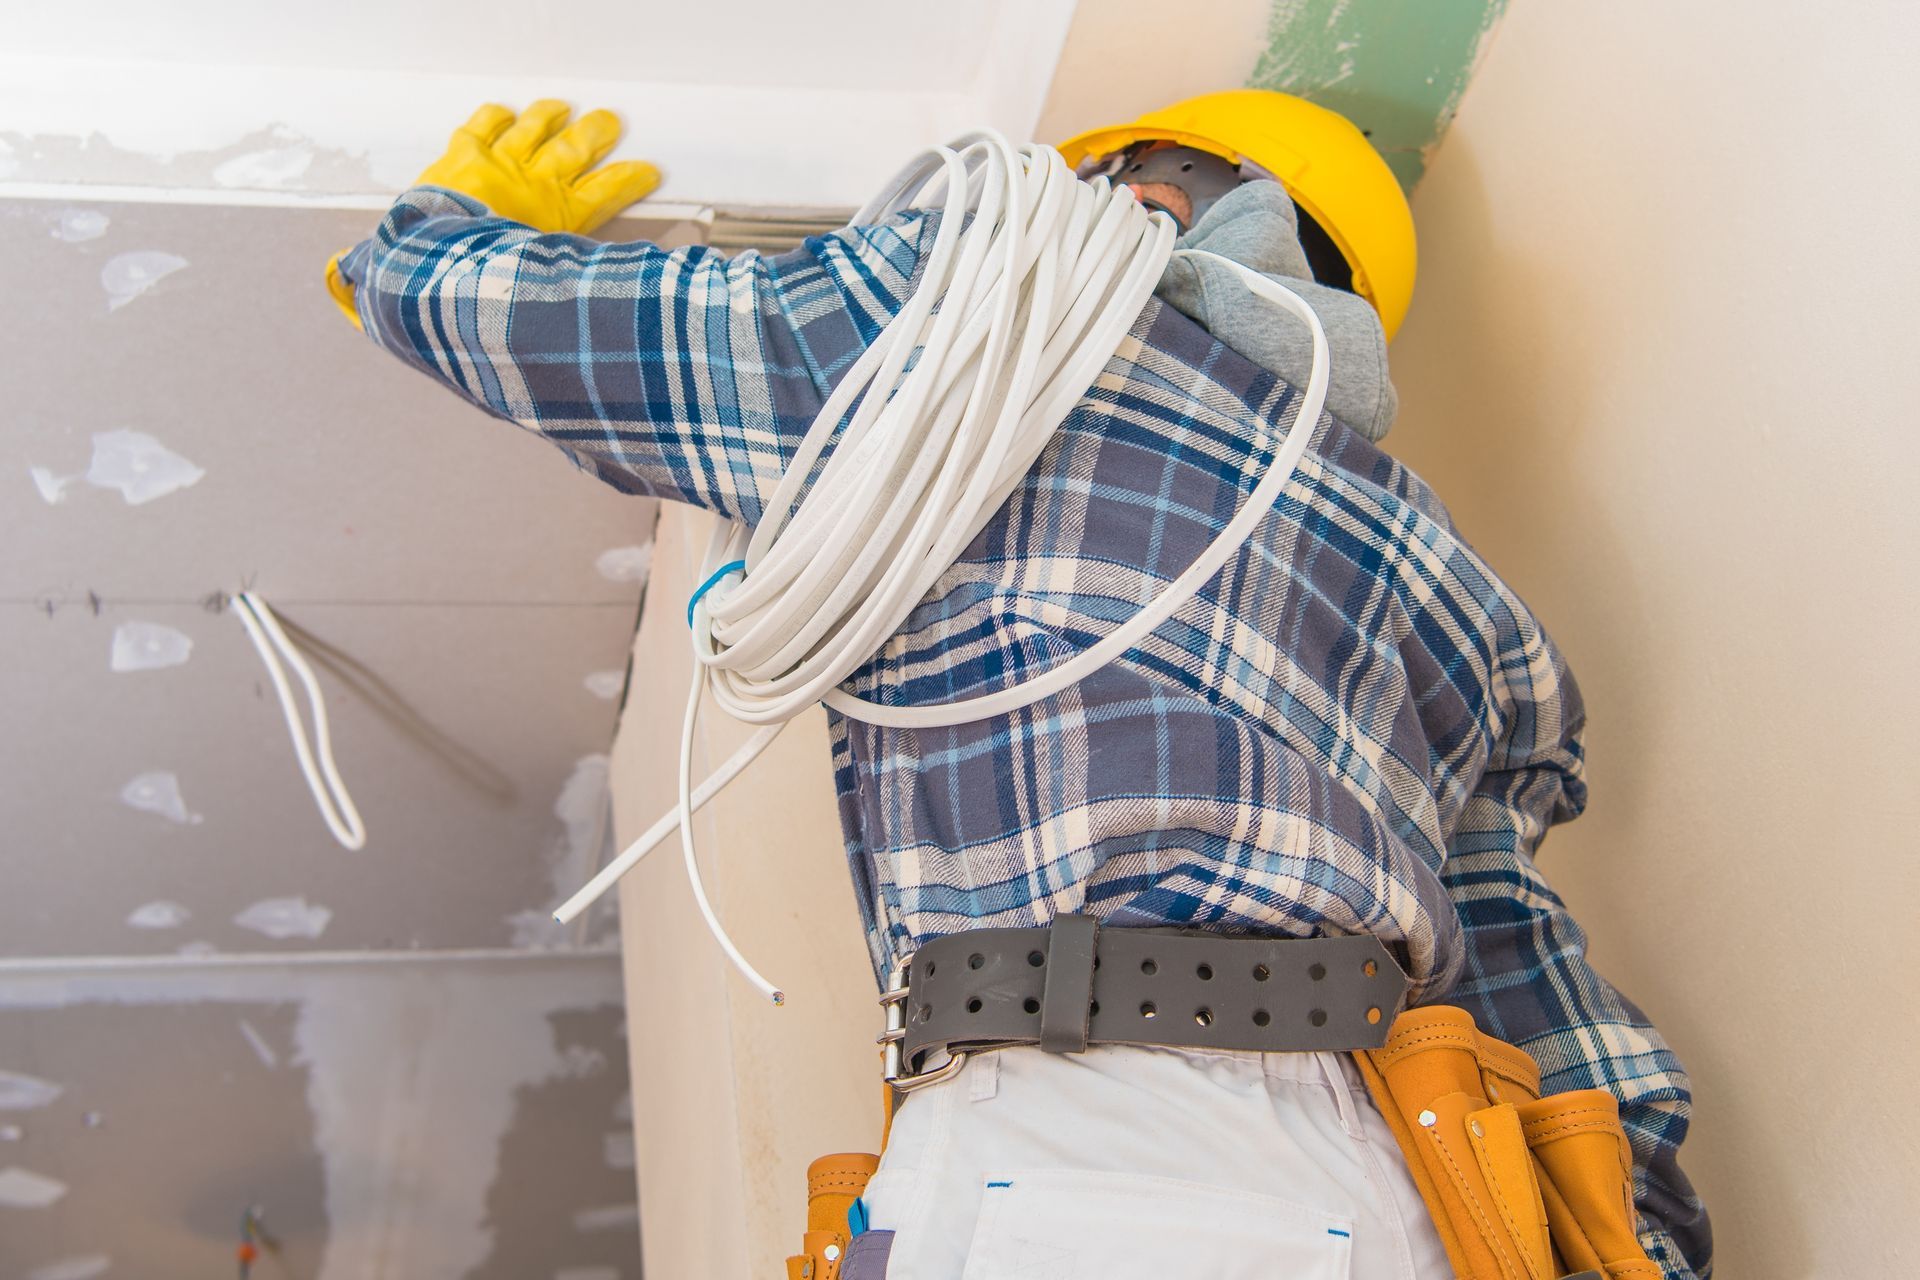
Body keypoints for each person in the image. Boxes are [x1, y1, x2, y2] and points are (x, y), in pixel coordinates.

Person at [325, 90, 1710, 1278]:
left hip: (1094, 1136)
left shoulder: (983, 337)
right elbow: (1541, 1000)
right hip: (1402, 1176)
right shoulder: (1459, 591)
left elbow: (508, 317)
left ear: (1154, 196)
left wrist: (427, 235)